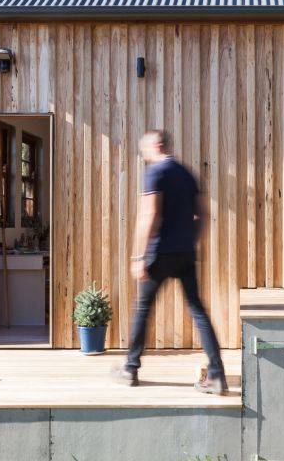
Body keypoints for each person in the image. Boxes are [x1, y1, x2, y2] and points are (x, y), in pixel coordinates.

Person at [113, 130, 227, 395]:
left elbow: (149, 214)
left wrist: (139, 256)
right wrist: (189, 241)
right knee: (198, 310)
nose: (144, 154)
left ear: (156, 146)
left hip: (160, 254)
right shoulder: (187, 174)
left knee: (143, 309)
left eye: (145, 149)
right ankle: (217, 375)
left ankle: (130, 369)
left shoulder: (155, 172)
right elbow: (203, 215)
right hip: (185, 254)